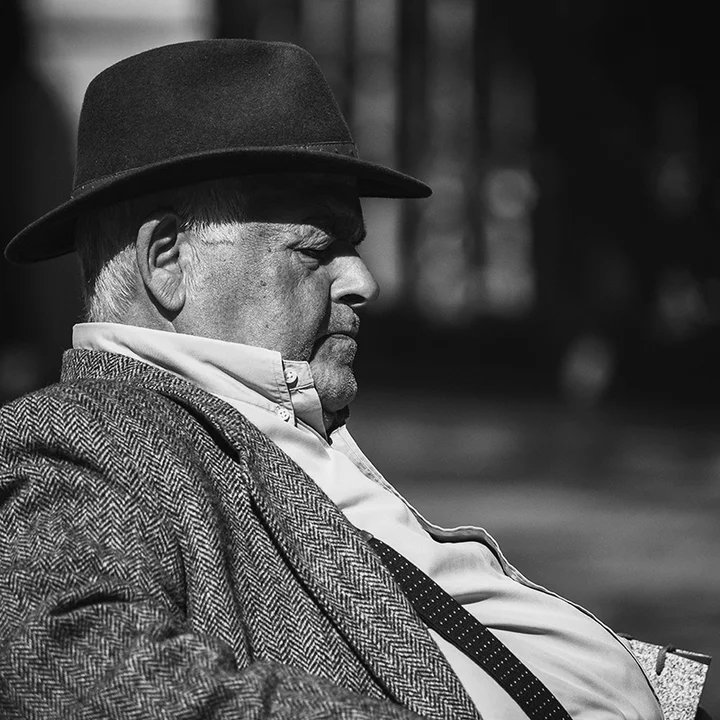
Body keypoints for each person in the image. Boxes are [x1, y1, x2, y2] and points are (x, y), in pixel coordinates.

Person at [0, 39, 663, 720]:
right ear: (167, 261)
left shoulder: (270, 427)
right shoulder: (72, 442)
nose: (364, 281)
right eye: (317, 248)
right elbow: (76, 675)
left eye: (355, 246)